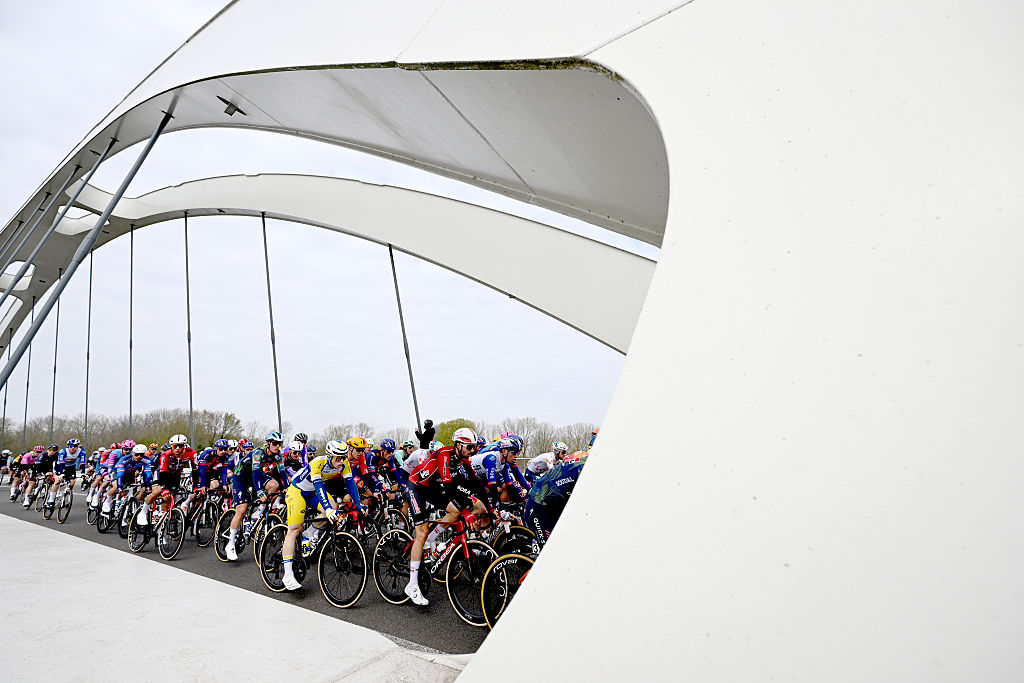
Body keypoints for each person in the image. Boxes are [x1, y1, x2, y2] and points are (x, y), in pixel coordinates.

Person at [404, 427, 492, 605]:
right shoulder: (444, 454)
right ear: (458, 445)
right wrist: (469, 503)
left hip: (434, 489)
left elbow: (476, 485)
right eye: (469, 447)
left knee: (456, 510)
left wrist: (488, 508)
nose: (473, 451)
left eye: (474, 447)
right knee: (421, 532)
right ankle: (412, 584)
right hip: (417, 487)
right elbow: (451, 487)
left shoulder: (464, 461)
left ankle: (431, 538)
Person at [280, 439, 361, 590]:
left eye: (343, 457)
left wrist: (358, 504)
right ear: (329, 456)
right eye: (337, 458)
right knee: (294, 530)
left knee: (333, 507)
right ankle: (288, 574)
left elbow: (350, 483)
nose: (341, 461)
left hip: (312, 493)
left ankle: (309, 534)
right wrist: (328, 510)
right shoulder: (318, 462)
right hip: (298, 491)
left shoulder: (344, 463)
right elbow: (319, 487)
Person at [525, 455, 588, 549]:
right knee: (549, 549)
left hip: (552, 503)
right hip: (539, 504)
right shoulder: (584, 469)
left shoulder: (587, 465)